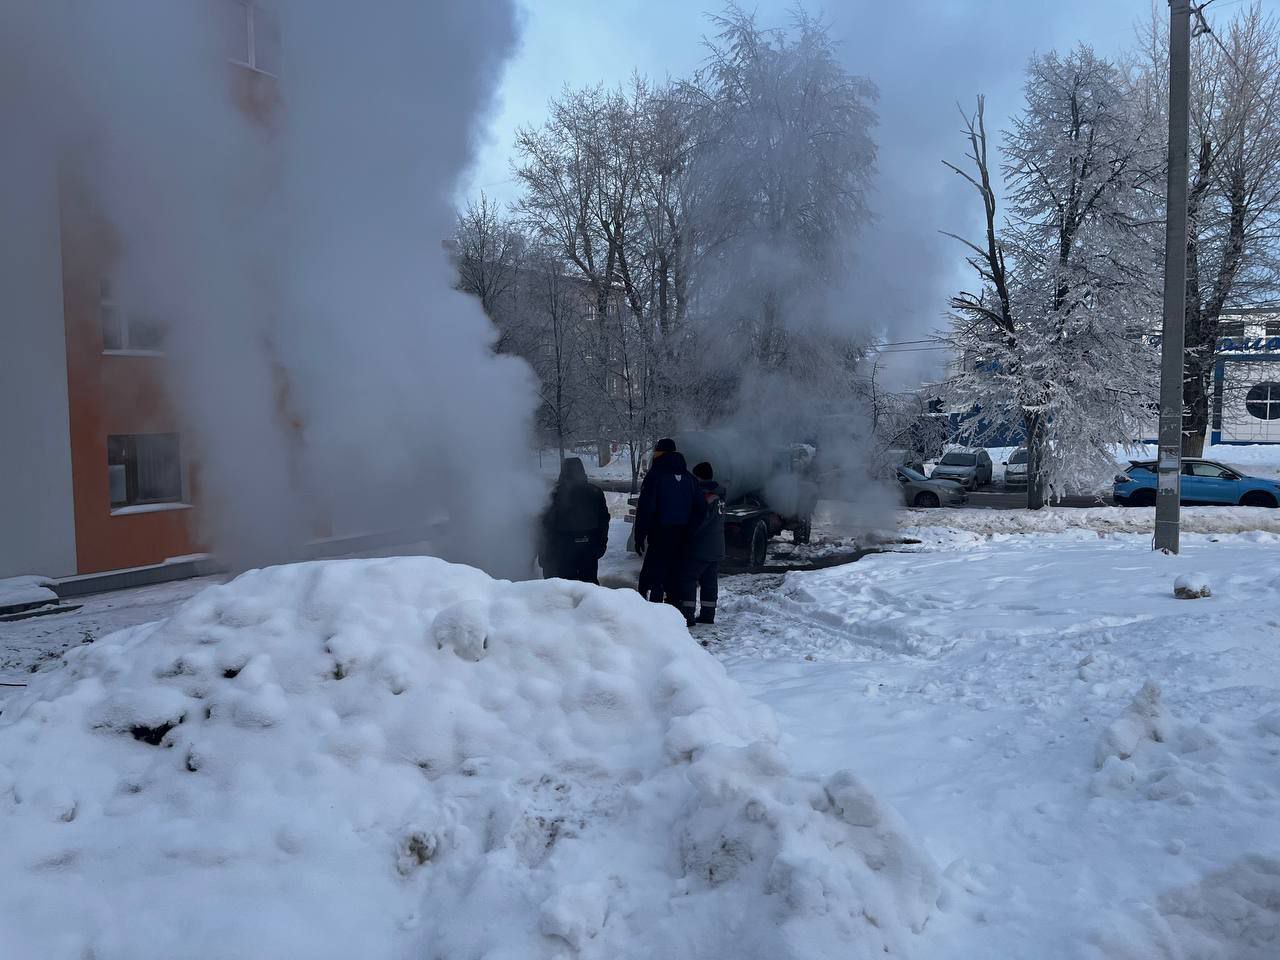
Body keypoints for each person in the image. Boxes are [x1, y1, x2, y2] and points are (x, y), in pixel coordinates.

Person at [633, 438, 704, 607]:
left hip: (660, 536)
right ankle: (675, 611)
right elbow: (700, 509)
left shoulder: (655, 476)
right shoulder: (690, 479)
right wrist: (690, 532)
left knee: (654, 576)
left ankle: (652, 611)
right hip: (683, 537)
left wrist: (639, 535)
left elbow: (646, 509)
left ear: (660, 453)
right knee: (676, 576)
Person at [538, 457, 609, 584]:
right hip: (589, 546)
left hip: (562, 549)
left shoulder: (555, 494)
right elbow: (603, 521)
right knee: (589, 586)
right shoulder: (595, 492)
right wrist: (601, 544)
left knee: (564, 587)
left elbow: (546, 526)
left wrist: (544, 554)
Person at [681, 461, 725, 626]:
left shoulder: (704, 497)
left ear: (698, 477)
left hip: (701, 547)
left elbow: (699, 523)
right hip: (716, 547)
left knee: (689, 580)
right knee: (709, 582)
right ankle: (708, 614)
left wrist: (686, 536)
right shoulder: (720, 495)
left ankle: (687, 616)